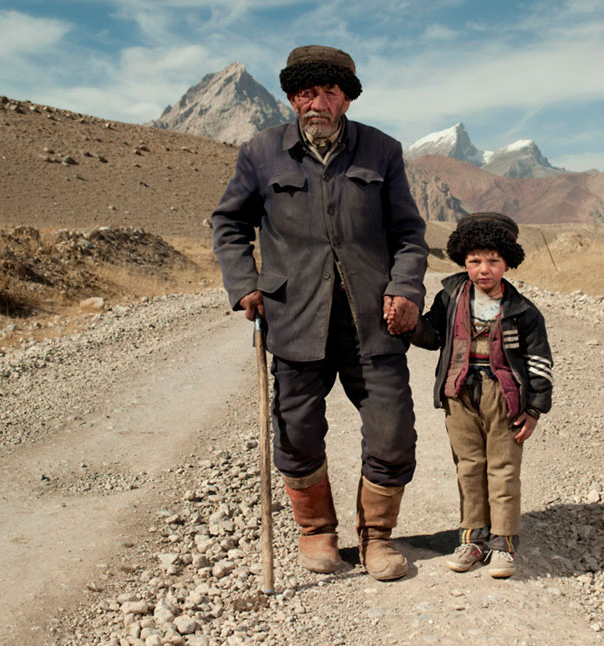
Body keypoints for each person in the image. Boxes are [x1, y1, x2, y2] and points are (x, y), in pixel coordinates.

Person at [211, 45, 427, 581]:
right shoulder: (260, 154)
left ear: (347, 99)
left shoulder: (382, 151)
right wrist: (243, 286)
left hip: (371, 322)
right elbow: (229, 224)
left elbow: (408, 233)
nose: (318, 102)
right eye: (307, 92)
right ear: (291, 97)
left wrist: (405, 289)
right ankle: (316, 532)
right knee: (297, 431)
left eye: (330, 91)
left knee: (393, 429)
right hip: (294, 319)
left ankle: (376, 537)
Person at [410, 213, 552, 578]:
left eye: (493, 261)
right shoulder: (450, 298)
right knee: (469, 467)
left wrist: (534, 409)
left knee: (503, 468)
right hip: (459, 392)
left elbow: (539, 362)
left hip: (504, 396)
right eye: (474, 261)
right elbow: (431, 337)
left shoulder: (523, 311)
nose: (483, 270)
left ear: (508, 262)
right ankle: (472, 538)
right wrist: (409, 323)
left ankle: (503, 543)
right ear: (463, 261)